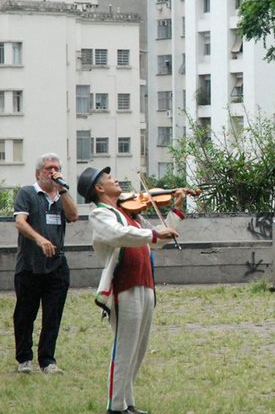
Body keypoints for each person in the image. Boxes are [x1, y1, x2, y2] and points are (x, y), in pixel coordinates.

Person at [79, 166, 185, 414]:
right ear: (99, 188)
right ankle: (115, 407)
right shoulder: (101, 214)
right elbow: (119, 236)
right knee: (124, 347)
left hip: (145, 284)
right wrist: (152, 234)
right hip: (124, 286)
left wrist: (176, 210)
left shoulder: (129, 214)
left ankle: (128, 403)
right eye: (109, 178)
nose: (116, 180)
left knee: (139, 348)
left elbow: (159, 239)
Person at [13, 153, 79, 374]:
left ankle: (47, 360)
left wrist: (63, 190)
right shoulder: (28, 193)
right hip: (30, 265)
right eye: (49, 168)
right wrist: (40, 239)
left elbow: (74, 215)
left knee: (52, 315)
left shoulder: (62, 196)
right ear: (38, 173)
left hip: (57, 266)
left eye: (57, 168)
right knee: (25, 314)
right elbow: (20, 223)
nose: (53, 172)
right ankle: (24, 359)